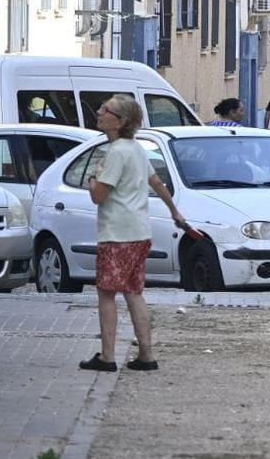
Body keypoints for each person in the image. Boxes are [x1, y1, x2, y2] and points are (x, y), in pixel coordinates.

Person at [80, 94, 190, 373]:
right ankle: (146, 354)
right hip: (139, 231)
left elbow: (99, 196)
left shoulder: (116, 153)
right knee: (133, 292)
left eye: (107, 110)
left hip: (117, 233)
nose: (100, 112)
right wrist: (174, 210)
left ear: (121, 122)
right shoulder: (136, 148)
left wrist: (93, 178)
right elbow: (156, 181)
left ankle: (107, 357)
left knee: (106, 293)